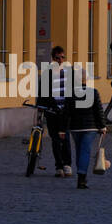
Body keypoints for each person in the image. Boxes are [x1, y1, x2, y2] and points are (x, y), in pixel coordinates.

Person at [66, 67, 107, 190]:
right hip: (90, 128)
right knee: (85, 151)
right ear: (87, 79)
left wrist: (63, 129)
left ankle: (81, 175)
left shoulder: (70, 93)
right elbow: (99, 111)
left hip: (75, 127)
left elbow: (66, 113)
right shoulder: (93, 92)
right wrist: (103, 126)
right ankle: (82, 178)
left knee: (80, 150)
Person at [38, 45, 72, 177]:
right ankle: (59, 166)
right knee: (56, 141)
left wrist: (71, 108)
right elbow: (42, 94)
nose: (60, 60)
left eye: (62, 57)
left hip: (65, 112)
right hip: (52, 112)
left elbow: (74, 92)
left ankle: (67, 165)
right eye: (57, 58)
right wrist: (40, 110)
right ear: (53, 59)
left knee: (66, 139)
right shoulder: (47, 74)